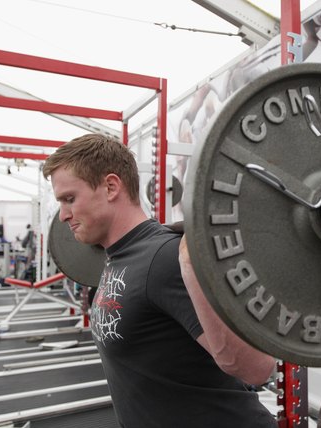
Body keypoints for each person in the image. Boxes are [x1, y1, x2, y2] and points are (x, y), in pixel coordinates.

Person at [42, 133, 276, 428]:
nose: (63, 215)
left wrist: (191, 263)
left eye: (70, 199)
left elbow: (256, 369)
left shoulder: (166, 259)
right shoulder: (117, 255)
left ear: (111, 187)